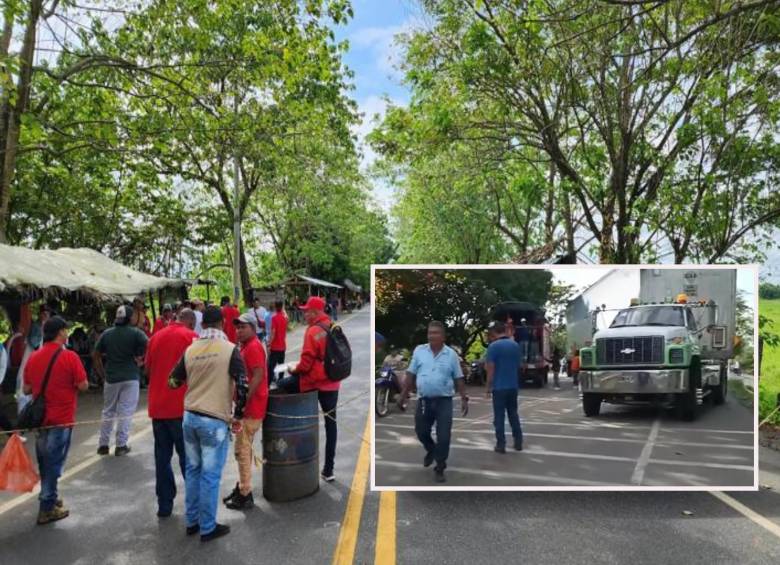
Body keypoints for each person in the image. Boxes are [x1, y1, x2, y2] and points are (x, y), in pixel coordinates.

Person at [168, 306, 248, 542]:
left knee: (193, 471)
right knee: (210, 476)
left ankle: (192, 522)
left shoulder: (190, 350)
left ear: (202, 325)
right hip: (214, 421)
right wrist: (238, 415)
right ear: (222, 323)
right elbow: (242, 386)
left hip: (190, 417)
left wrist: (196, 383)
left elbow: (172, 381)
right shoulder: (230, 350)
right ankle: (207, 527)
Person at [23, 316, 88, 525]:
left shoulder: (33, 357)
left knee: (45, 462)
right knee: (54, 464)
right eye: (66, 330)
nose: (67, 333)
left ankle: (50, 496)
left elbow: (26, 389)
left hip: (41, 420)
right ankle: (46, 507)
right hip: (61, 419)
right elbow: (84, 385)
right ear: (61, 332)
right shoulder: (70, 357)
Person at [398, 321, 468, 483]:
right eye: (430, 333)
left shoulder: (450, 354)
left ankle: (440, 467)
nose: (432, 336)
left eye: (436, 333)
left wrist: (464, 398)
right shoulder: (419, 351)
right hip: (423, 400)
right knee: (421, 431)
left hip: (444, 401)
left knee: (444, 436)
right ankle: (431, 450)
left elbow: (459, 377)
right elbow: (410, 374)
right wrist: (403, 395)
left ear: (443, 336)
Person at [144, 308, 198, 518]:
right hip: (181, 408)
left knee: (162, 458)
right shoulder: (191, 336)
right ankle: (194, 507)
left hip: (158, 409)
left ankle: (164, 505)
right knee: (189, 459)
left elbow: (147, 371)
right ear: (191, 322)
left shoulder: (155, 337)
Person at [287, 296, 340, 482]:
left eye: (307, 311)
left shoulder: (313, 331)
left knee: (284, 387)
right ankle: (329, 469)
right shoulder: (333, 326)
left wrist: (294, 369)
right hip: (333, 383)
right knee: (331, 424)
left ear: (316, 312)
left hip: (313, 382)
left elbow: (306, 364)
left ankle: (297, 463)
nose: (304, 314)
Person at [223, 313, 267, 510]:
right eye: (237, 327)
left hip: (251, 408)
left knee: (242, 450)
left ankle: (245, 493)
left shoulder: (254, 347)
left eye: (243, 327)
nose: (239, 331)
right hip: (248, 407)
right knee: (243, 450)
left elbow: (258, 375)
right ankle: (241, 486)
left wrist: (242, 402)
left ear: (253, 328)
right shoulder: (247, 347)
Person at [93, 304, 148, 456]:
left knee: (108, 411)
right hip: (130, 377)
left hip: (111, 378)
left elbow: (95, 355)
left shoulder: (107, 334)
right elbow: (150, 345)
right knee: (125, 411)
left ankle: (103, 445)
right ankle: (121, 445)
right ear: (130, 318)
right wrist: (142, 361)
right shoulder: (136, 333)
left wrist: (102, 374)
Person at [484, 321, 523, 453]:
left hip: (499, 387)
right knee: (513, 414)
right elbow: (519, 366)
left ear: (495, 332)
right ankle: (518, 442)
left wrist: (488, 387)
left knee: (499, 417)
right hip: (513, 386)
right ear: (505, 331)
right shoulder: (515, 345)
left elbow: (490, 369)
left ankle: (501, 445)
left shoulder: (493, 347)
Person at [267, 300, 287, 379]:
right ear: (282, 307)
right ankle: (280, 381)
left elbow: (273, 332)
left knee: (271, 366)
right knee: (281, 365)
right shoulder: (284, 318)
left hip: (275, 347)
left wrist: (269, 343)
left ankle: (268, 383)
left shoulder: (274, 318)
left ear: (275, 307)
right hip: (282, 346)